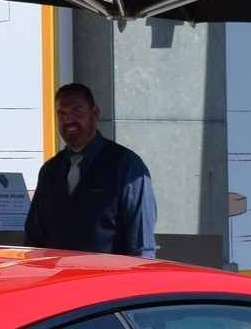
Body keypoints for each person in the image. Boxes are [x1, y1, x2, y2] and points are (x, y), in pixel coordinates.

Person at [23, 82, 157, 257]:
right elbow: (34, 240)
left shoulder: (126, 166)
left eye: (76, 112)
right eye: (61, 114)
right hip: (58, 281)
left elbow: (142, 245)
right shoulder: (50, 171)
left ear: (95, 113)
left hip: (107, 281)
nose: (68, 120)